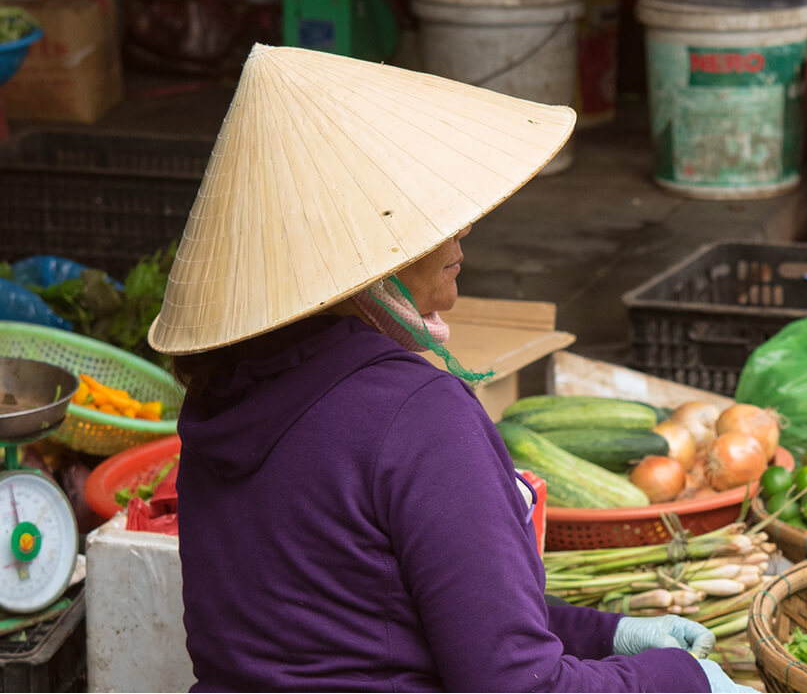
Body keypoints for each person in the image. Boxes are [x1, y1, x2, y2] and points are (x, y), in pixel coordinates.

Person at [149, 45, 758, 693]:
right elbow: (521, 687)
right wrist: (681, 680)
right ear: (367, 259)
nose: (461, 234)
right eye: (425, 216)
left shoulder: (226, 400)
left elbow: (420, 612)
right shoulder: (416, 415)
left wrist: (610, 635)